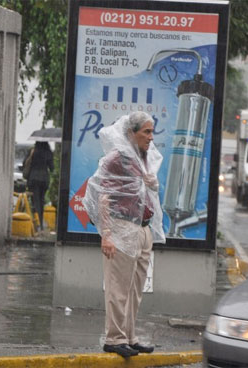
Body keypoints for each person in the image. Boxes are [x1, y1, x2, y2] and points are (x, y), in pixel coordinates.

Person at [82, 111, 165, 358]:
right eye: (146, 132)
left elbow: (147, 193)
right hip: (120, 227)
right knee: (118, 287)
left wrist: (152, 185)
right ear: (131, 133)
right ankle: (114, 338)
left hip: (142, 228)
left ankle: (129, 336)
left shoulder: (145, 158)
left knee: (135, 288)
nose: (151, 137)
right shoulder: (116, 159)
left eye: (152, 132)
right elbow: (101, 195)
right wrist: (106, 234)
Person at [25, 141, 53, 230]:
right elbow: (52, 168)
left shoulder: (32, 151)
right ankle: (40, 223)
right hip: (44, 179)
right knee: (41, 201)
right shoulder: (48, 152)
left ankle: (37, 223)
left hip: (33, 179)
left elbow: (24, 164)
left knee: (35, 201)